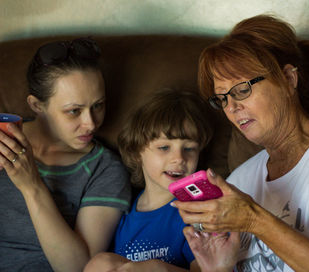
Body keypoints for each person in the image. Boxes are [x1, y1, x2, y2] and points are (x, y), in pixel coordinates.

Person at [173, 15, 309, 272]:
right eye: (222, 98)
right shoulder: (240, 179)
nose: (232, 107)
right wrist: (218, 269)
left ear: (289, 79)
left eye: (242, 89)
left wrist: (253, 219)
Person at [0, 38, 132, 272]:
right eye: (74, 111)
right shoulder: (6, 140)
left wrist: (32, 187)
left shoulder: (105, 170)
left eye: (98, 105)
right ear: (37, 105)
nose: (90, 123)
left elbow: (78, 267)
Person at [83, 89, 214, 272]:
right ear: (137, 152)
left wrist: (158, 268)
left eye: (189, 149)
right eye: (164, 147)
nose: (179, 158)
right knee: (101, 264)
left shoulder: (198, 211)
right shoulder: (124, 215)